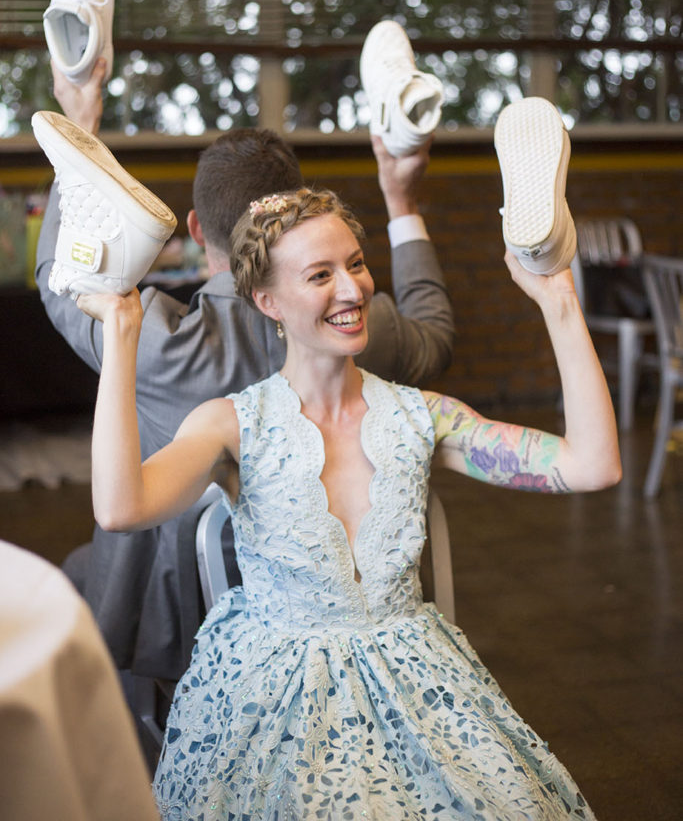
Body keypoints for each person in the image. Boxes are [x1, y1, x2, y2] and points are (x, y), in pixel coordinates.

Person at [76, 167, 620, 818]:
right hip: (272, 698)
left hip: (418, 685)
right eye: (319, 275)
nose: (352, 289)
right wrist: (121, 330)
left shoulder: (423, 415)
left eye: (355, 264)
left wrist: (556, 299)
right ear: (266, 301)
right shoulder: (231, 425)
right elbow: (120, 507)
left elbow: (591, 465)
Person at [35, 58, 455, 683]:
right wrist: (402, 198)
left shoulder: (153, 341)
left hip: (167, 633)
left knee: (63, 581)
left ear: (198, 227)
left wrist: (80, 118)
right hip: (349, 619)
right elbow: (437, 332)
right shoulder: (365, 328)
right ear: (296, 218)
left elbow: (58, 282)